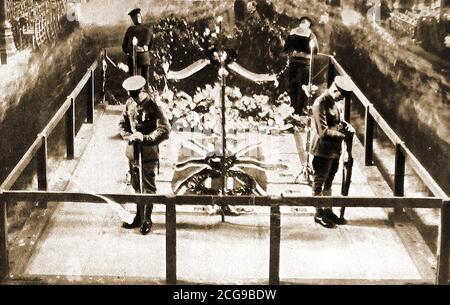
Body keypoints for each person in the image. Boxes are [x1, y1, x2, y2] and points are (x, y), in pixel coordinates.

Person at [119, 75, 170, 235]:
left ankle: (147, 219)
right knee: (136, 185)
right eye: (130, 94)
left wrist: (146, 138)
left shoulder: (153, 106)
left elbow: (164, 129)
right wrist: (129, 136)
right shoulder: (129, 103)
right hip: (133, 152)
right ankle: (138, 216)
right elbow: (122, 123)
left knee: (148, 187)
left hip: (148, 152)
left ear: (141, 90)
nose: (133, 97)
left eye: (135, 94)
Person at [310, 76, 355, 228]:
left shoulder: (335, 104)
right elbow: (323, 132)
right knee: (319, 182)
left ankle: (327, 210)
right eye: (340, 96)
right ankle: (319, 213)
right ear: (335, 90)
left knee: (329, 182)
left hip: (334, 151)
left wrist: (346, 125)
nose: (340, 99)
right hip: (322, 151)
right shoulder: (320, 104)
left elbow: (336, 122)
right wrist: (343, 136)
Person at [284, 16, 319, 115]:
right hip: (305, 63)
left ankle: (293, 109)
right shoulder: (310, 34)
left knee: (293, 85)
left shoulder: (292, 32)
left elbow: (286, 48)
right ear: (308, 24)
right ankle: (301, 110)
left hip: (293, 61)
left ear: (300, 22)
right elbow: (316, 50)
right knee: (304, 87)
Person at [122, 8, 153, 84]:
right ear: (140, 17)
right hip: (146, 59)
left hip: (135, 60)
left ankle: (136, 95)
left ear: (133, 19)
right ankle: (146, 94)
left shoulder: (131, 30)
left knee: (135, 83)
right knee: (145, 80)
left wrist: (129, 51)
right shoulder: (148, 30)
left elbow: (126, 48)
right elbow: (150, 46)